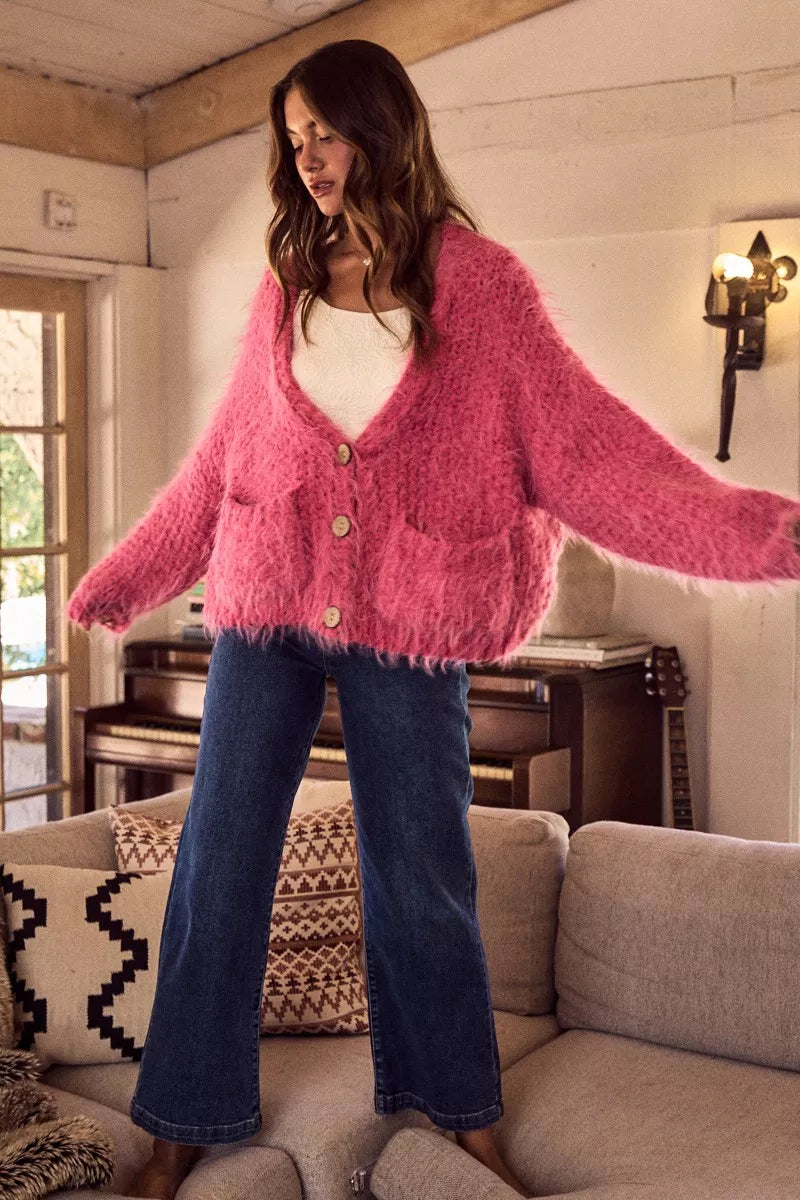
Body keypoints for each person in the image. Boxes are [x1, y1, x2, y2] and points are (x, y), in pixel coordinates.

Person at [65, 38, 800, 1200]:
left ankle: (458, 1110)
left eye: (326, 131)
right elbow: (220, 467)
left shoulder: (482, 287)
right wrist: (123, 575)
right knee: (218, 860)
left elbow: (587, 451)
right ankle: (180, 1121)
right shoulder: (285, 285)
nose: (307, 157)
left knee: (423, 873)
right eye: (292, 136)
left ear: (384, 126)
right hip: (263, 615)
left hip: (413, 622)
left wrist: (761, 532)